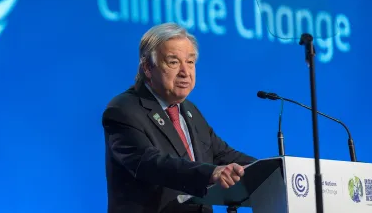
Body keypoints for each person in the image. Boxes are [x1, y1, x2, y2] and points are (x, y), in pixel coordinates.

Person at [102, 23, 257, 213]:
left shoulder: (190, 111)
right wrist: (211, 173)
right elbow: (151, 163)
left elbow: (223, 155)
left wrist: (277, 170)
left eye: (190, 62)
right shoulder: (123, 110)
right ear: (148, 68)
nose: (185, 72)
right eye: (173, 62)